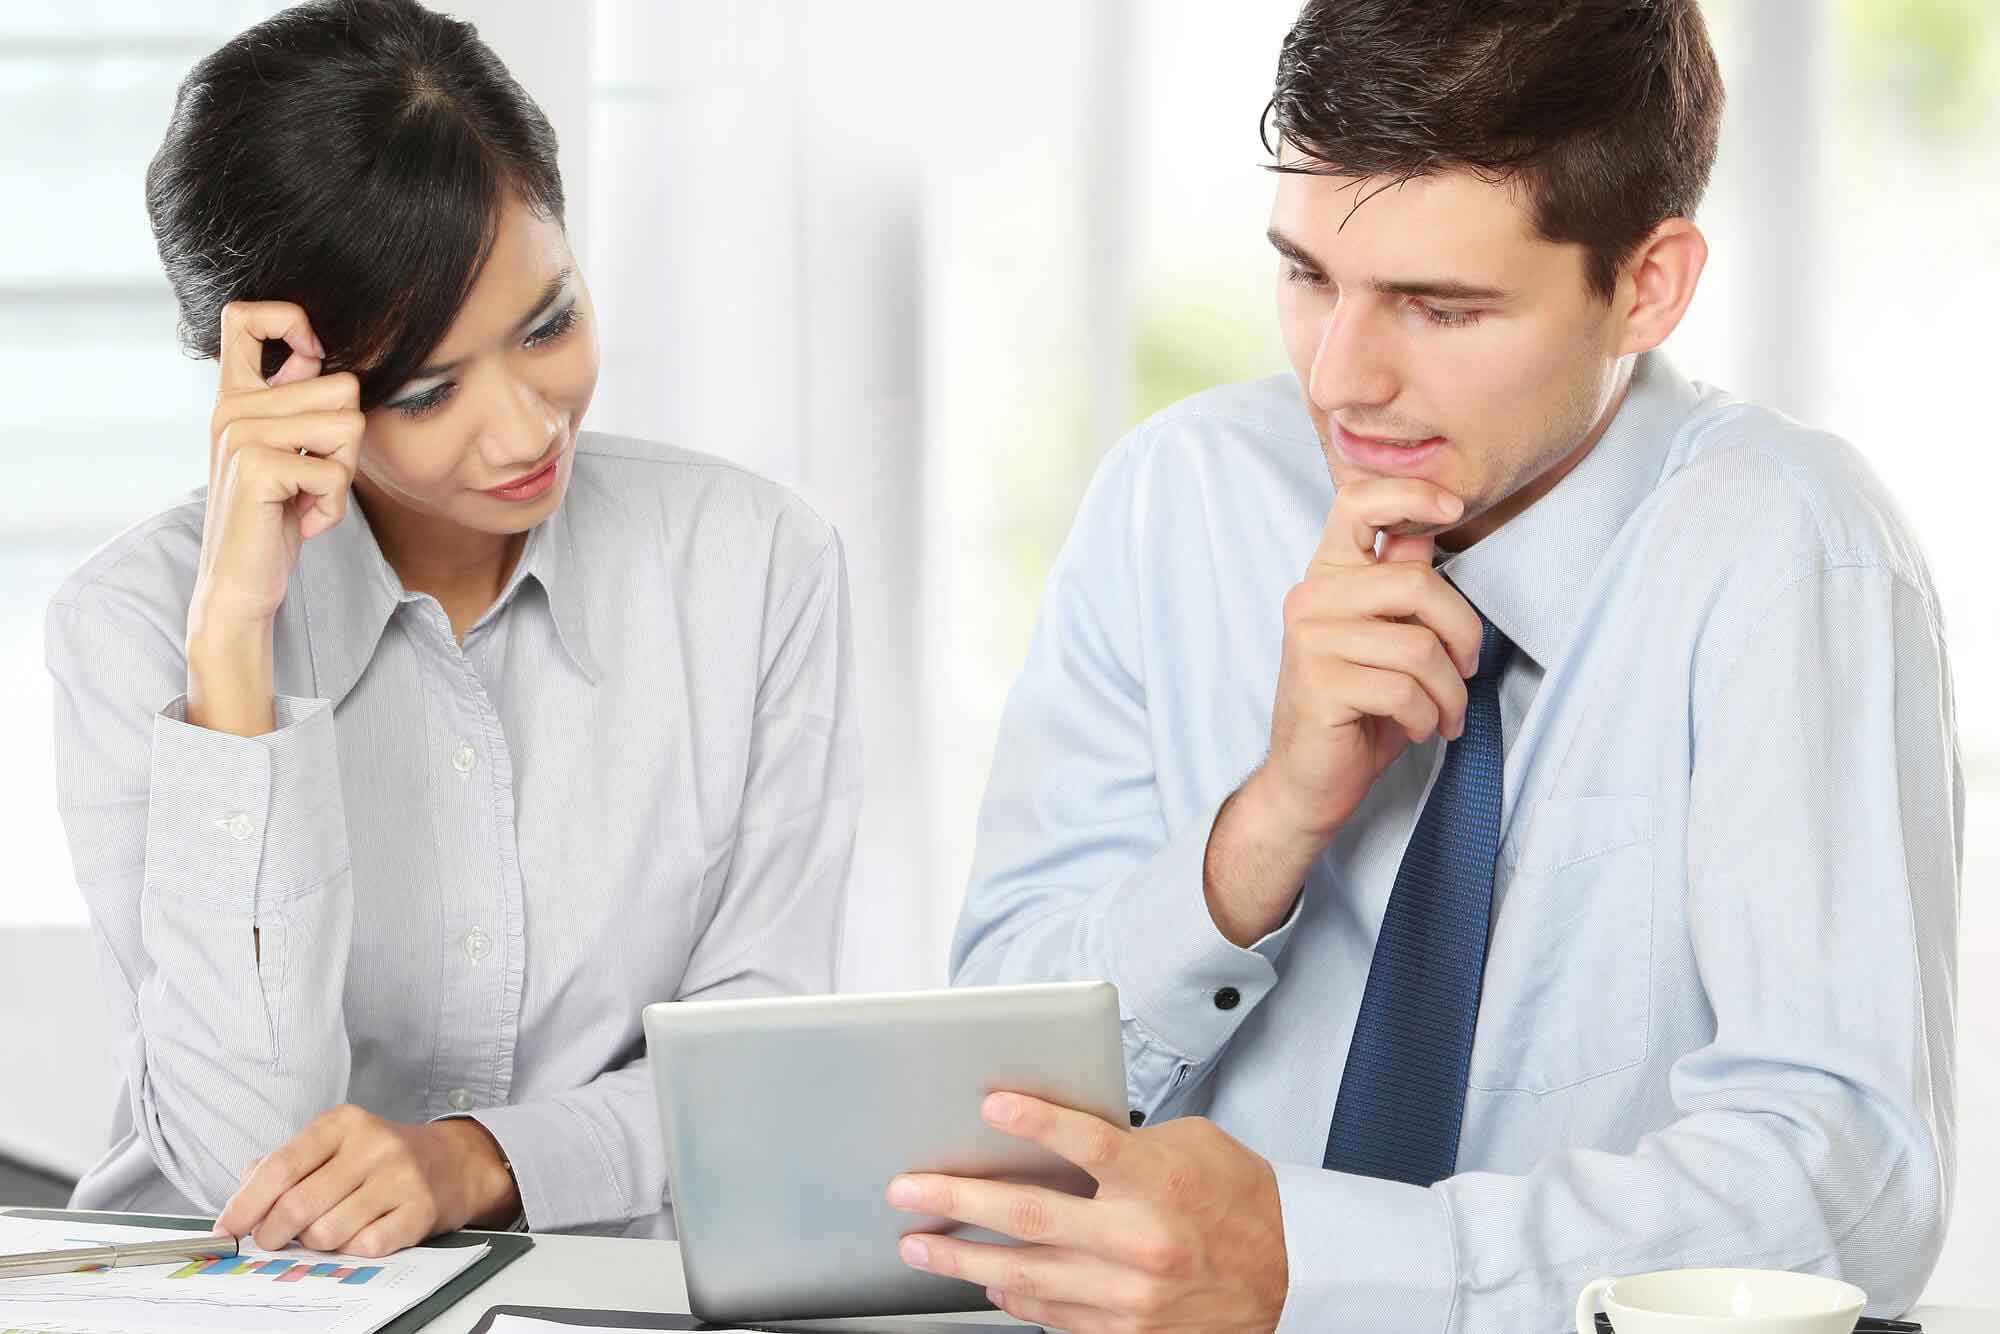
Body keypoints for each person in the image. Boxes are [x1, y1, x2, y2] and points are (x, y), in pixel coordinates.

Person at [891, 2, 1962, 1331]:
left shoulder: (1784, 549)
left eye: (1439, 306)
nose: (1340, 380)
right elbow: (983, 1119)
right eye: (1306, 277)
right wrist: (1264, 826)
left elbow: (1843, 1179)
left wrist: (1320, 1267)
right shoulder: (1181, 499)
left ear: (1647, 284)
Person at [46, 0, 857, 1255]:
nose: (527, 428)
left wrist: (474, 1161)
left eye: (549, 324)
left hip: (595, 1290)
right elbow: (240, 1163)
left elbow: (766, 1066)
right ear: (279, 378)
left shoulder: (753, 562)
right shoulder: (132, 624)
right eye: (428, 390)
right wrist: (235, 651)